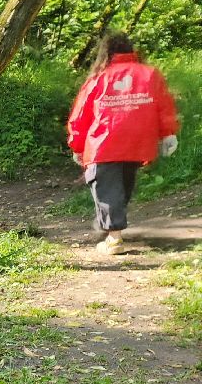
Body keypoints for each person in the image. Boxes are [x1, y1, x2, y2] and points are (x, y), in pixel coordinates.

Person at [67, 32, 180, 255]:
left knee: (106, 188)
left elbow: (81, 115)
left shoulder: (99, 77)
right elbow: (163, 106)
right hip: (138, 142)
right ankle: (109, 226)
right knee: (122, 185)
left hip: (104, 143)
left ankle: (114, 239)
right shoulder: (150, 74)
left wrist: (77, 145)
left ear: (106, 53)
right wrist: (168, 134)